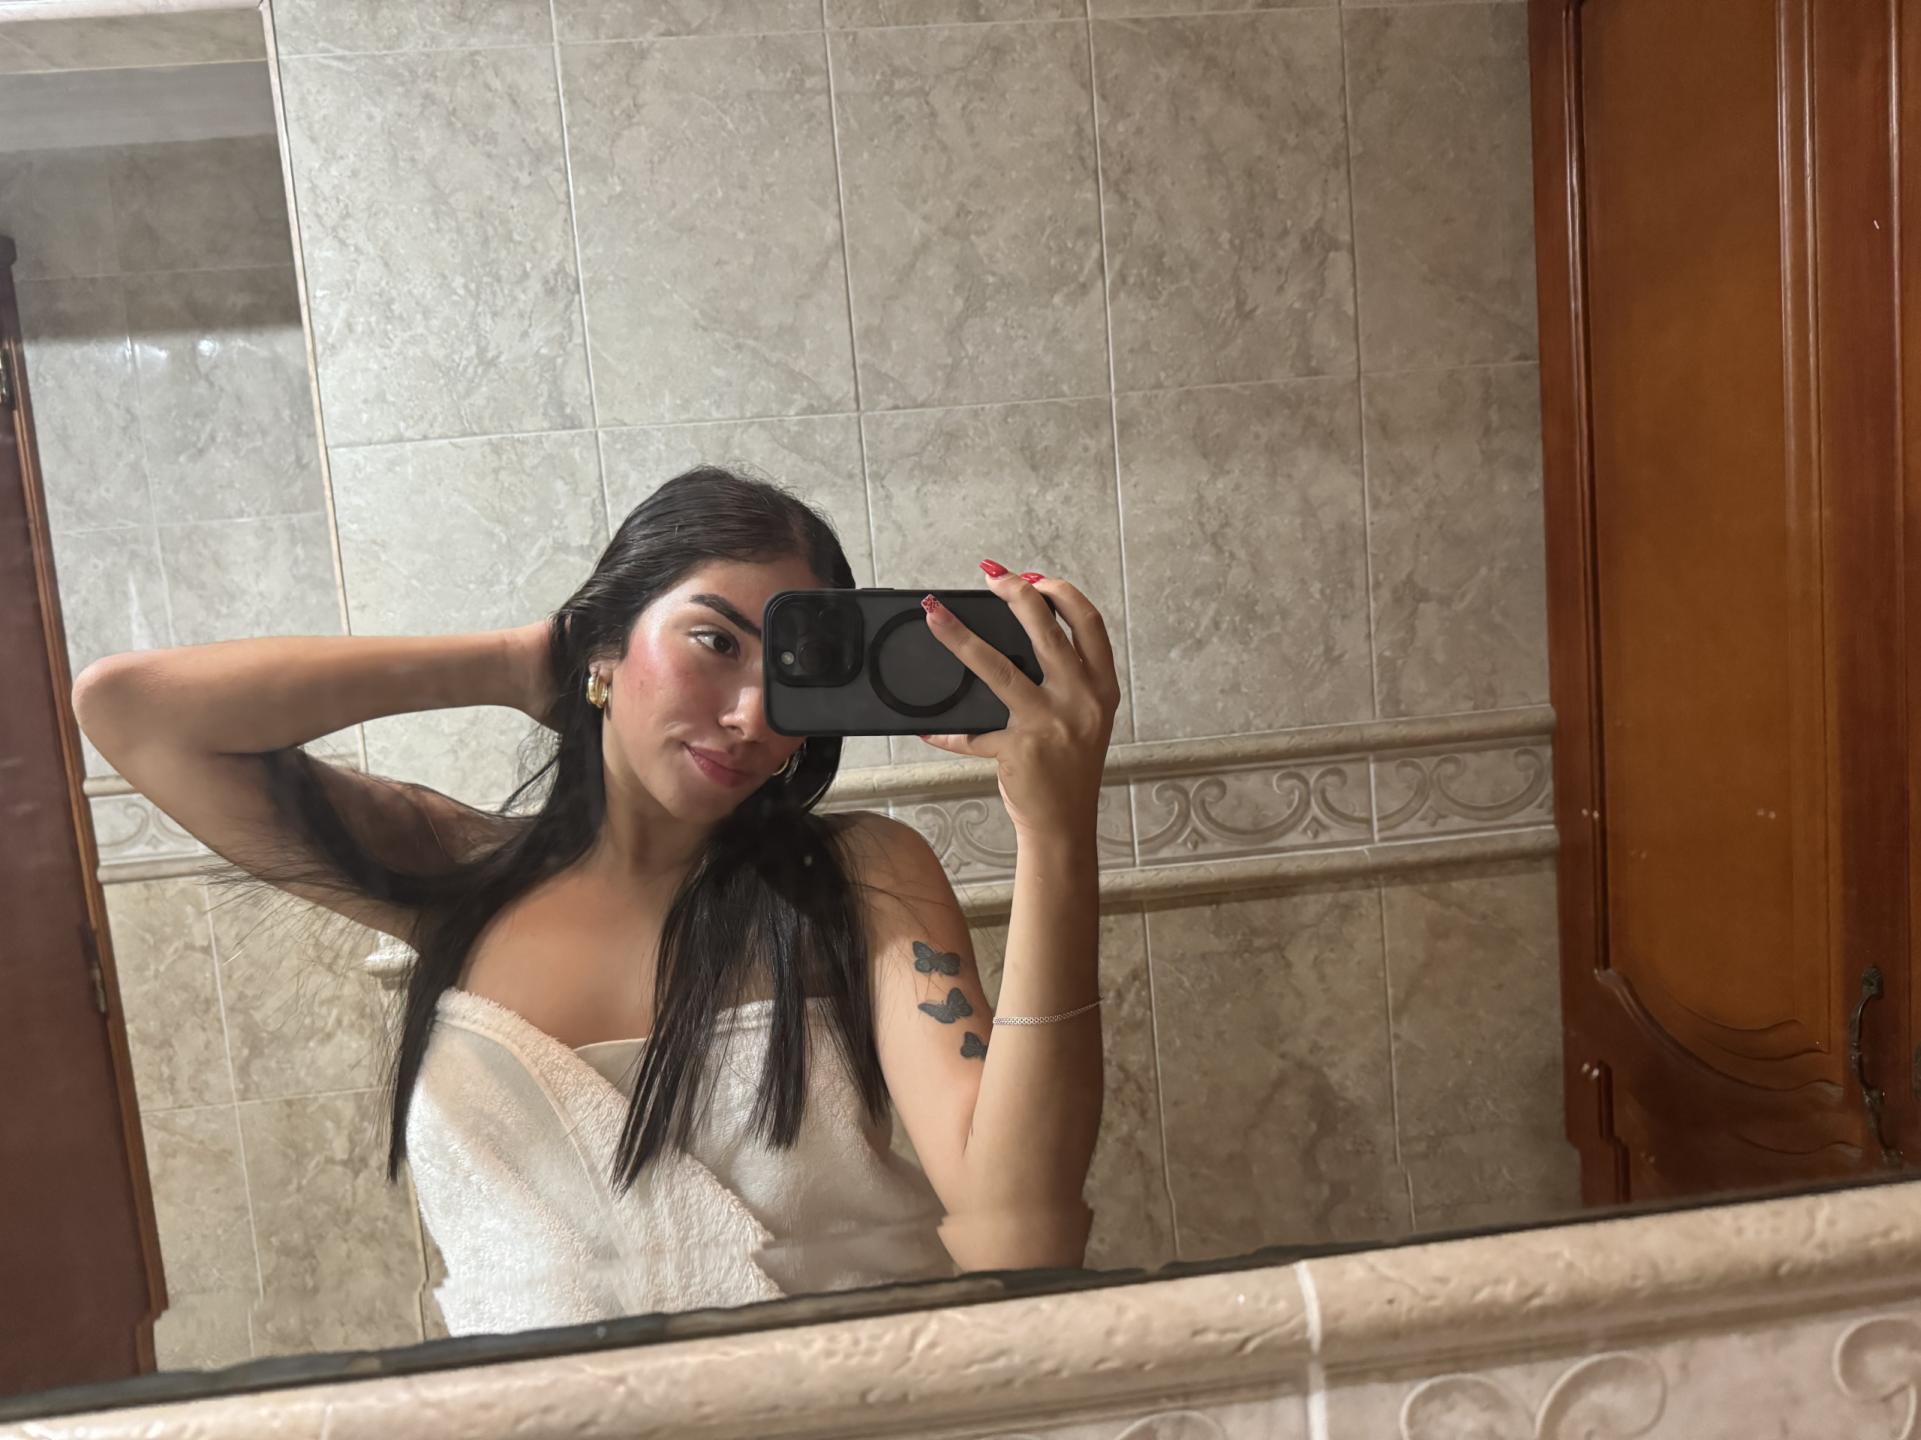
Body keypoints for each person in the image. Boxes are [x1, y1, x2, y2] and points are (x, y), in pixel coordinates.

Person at [72, 466, 1120, 1335]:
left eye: (797, 673)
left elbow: (1020, 1239)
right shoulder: (458, 875)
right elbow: (132, 713)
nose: (752, 714)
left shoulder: (860, 879)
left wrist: (1056, 829)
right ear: (605, 646)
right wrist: (520, 660)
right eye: (714, 642)